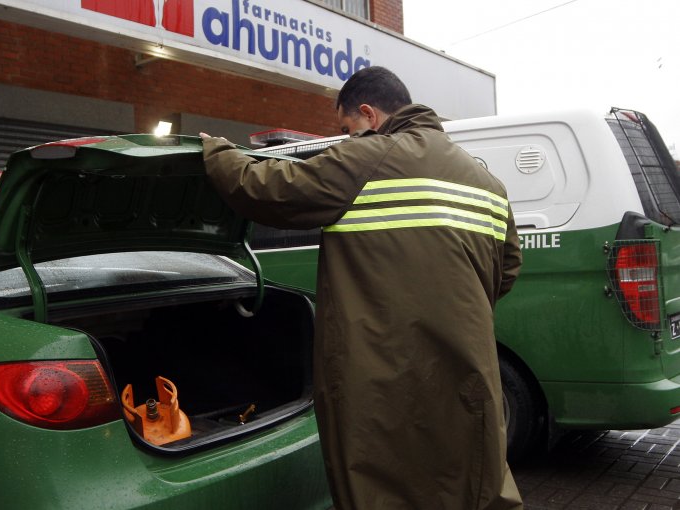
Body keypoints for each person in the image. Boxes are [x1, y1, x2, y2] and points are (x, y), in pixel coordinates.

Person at [200, 66, 523, 509]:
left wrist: (217, 152)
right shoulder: (486, 182)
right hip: (467, 361)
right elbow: (506, 270)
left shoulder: (367, 157)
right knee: (466, 476)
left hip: (382, 368)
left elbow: (266, 188)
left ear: (369, 115)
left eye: (346, 128)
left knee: (385, 481)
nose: (346, 138)